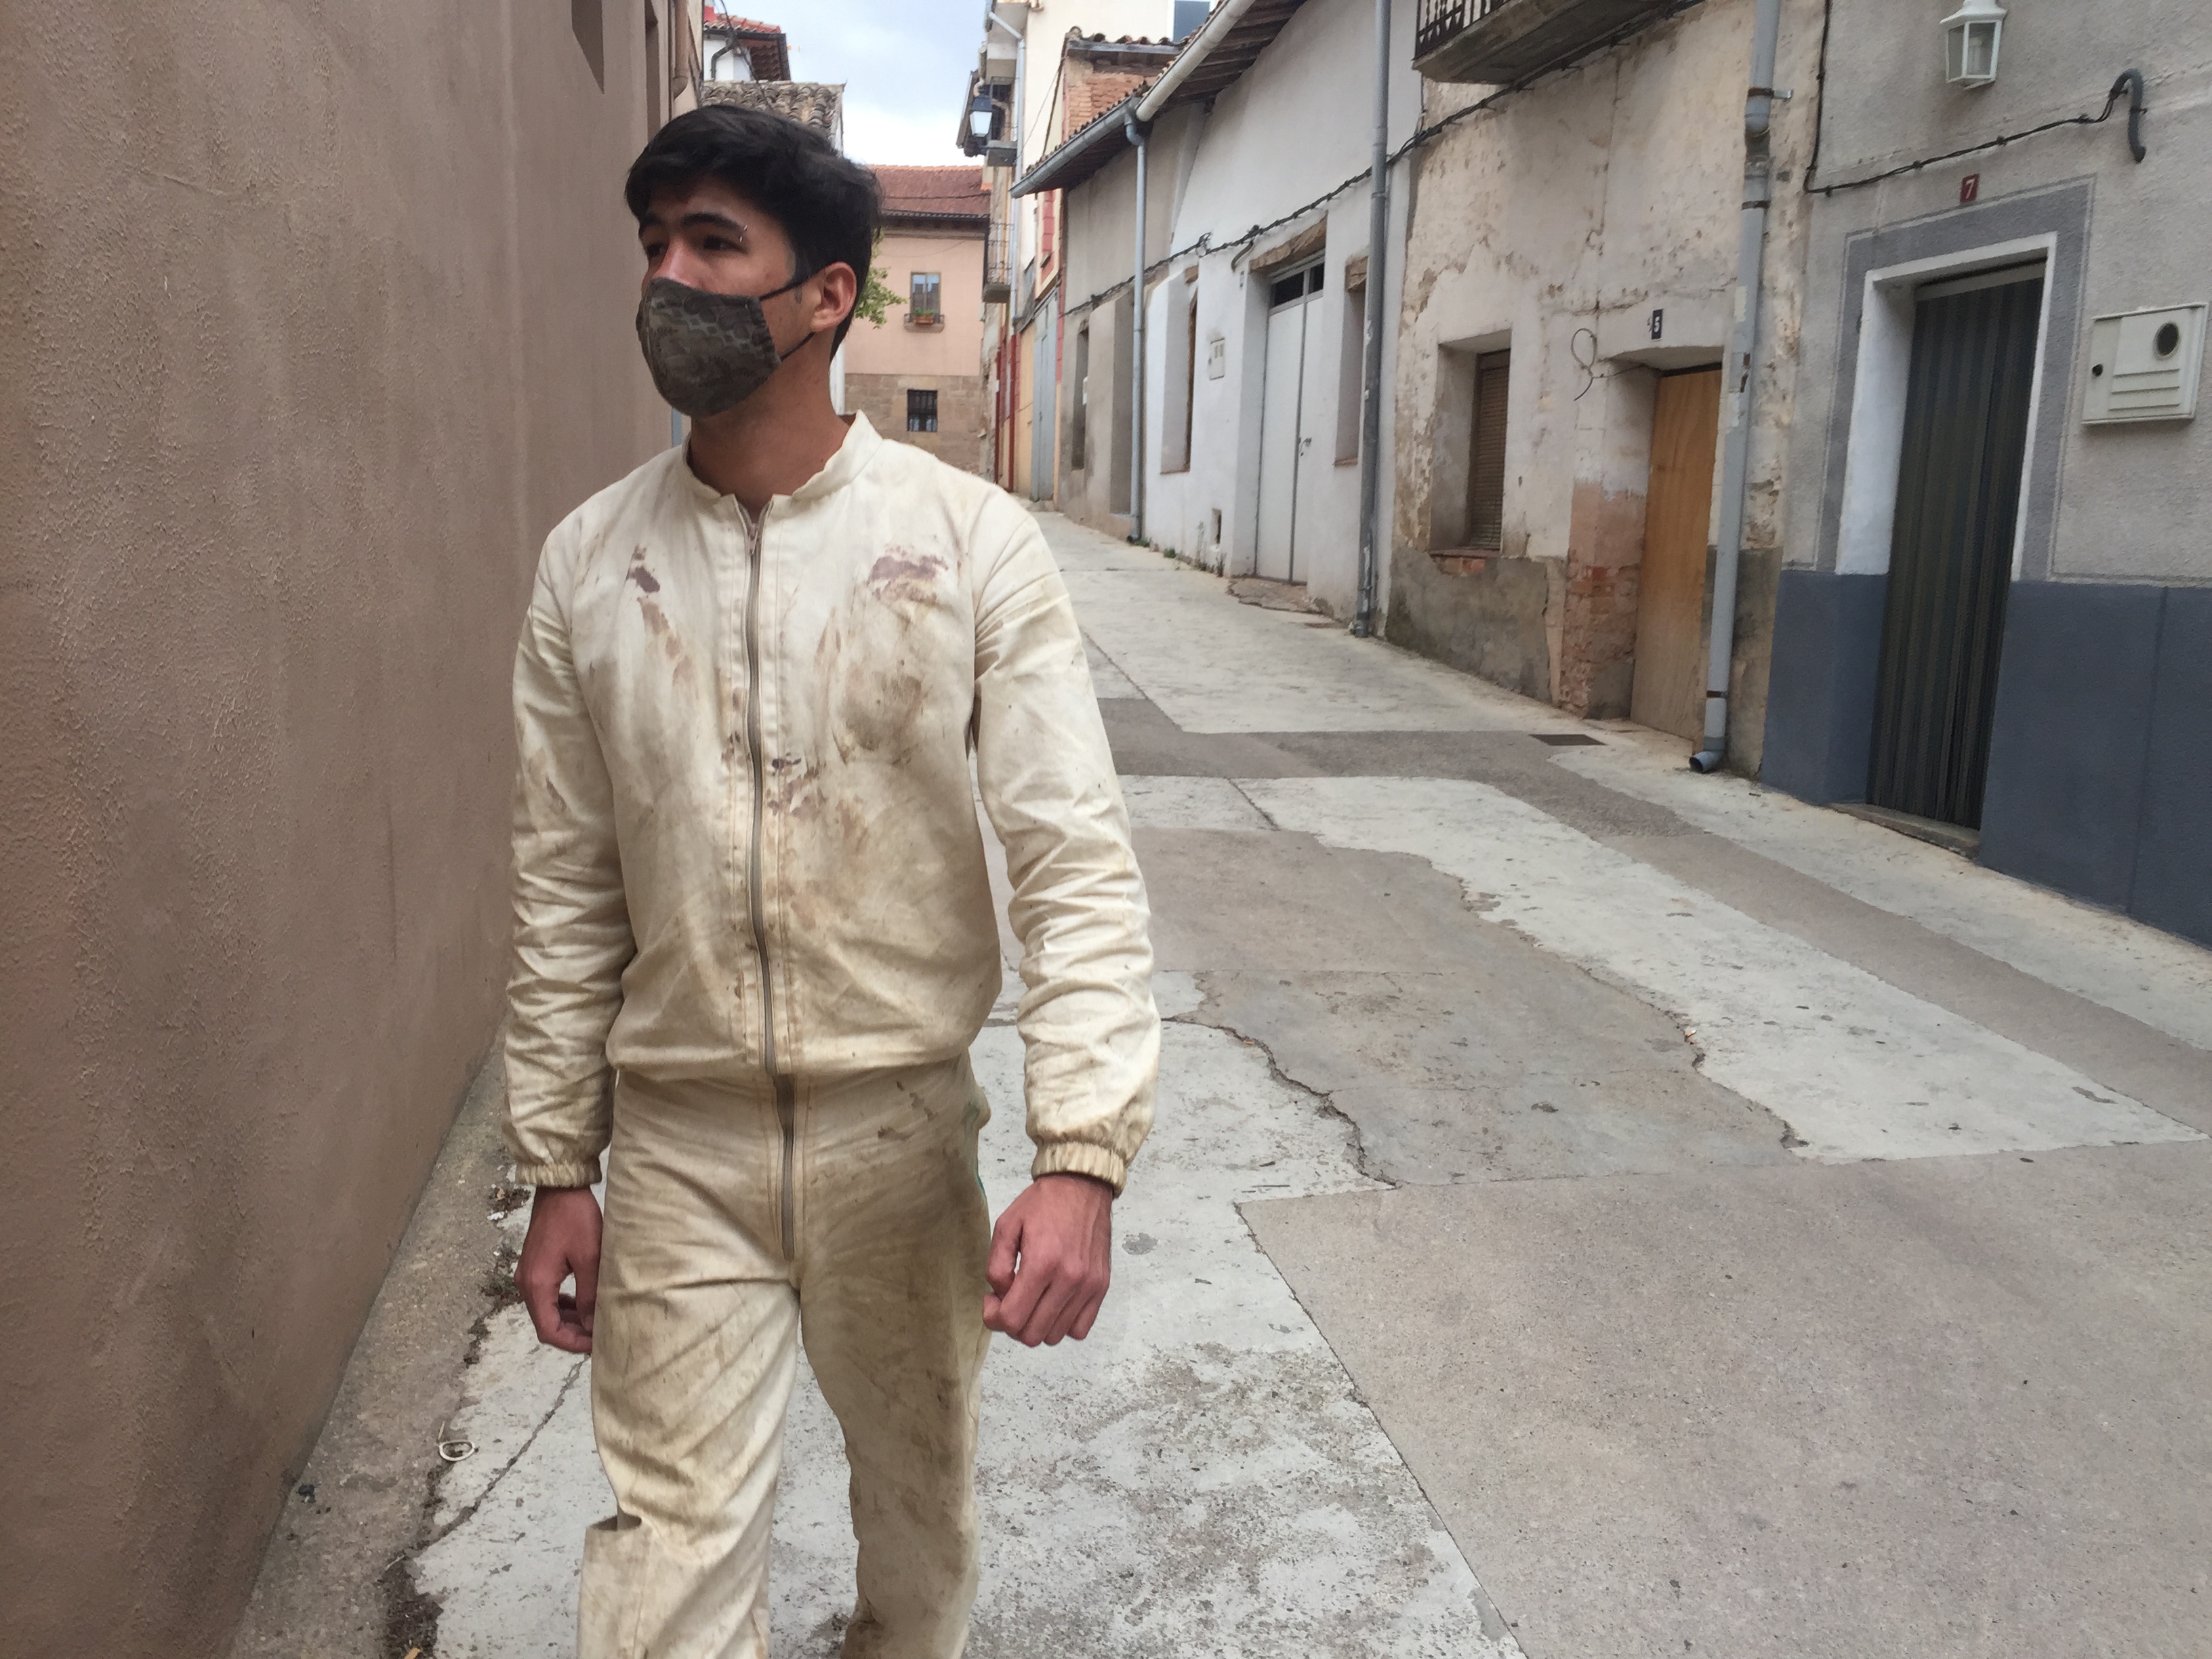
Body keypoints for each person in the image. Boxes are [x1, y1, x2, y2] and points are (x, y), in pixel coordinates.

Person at [503, 105, 1159, 1658]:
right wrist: (558, 1165)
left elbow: (1071, 858)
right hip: (683, 1153)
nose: (669, 278)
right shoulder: (590, 566)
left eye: (714, 243)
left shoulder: (970, 544)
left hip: (902, 1138)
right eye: (654, 243)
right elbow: (564, 885)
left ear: (828, 296)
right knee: (664, 1580)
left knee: (920, 1533)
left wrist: (1082, 1152)